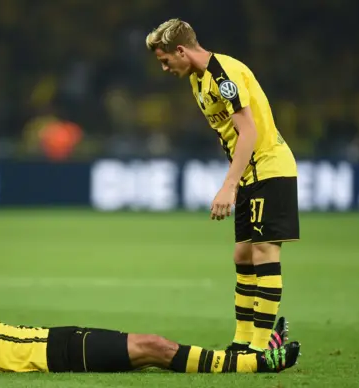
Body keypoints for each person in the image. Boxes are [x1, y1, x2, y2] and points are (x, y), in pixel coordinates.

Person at [145, 19, 300, 355]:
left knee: (264, 252)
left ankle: (260, 349)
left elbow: (249, 133)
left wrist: (228, 186)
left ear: (182, 51)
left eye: (165, 60)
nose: (164, 68)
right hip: (248, 173)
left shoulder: (224, 75)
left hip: (270, 168)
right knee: (242, 253)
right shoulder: (197, 82)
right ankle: (241, 341)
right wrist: (236, 179)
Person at [0, 287, 300, 374]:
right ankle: (258, 362)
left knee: (151, 352)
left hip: (58, 339)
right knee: (156, 347)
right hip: (59, 355)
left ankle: (251, 357)